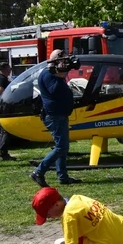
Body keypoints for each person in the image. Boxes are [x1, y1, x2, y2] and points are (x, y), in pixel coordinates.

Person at [31, 50, 79, 187]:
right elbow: (56, 90)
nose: (65, 63)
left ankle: (63, 176)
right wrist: (61, 74)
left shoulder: (54, 74)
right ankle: (38, 172)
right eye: (62, 60)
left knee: (62, 147)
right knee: (61, 147)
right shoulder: (48, 75)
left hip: (59, 115)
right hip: (54, 116)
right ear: (55, 61)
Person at [0, 63, 15, 162]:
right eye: (9, 68)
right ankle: (3, 154)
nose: (10, 70)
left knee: (4, 131)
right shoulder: (2, 79)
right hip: (3, 107)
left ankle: (3, 153)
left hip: (0, 107)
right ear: (5, 69)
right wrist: (6, 98)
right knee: (5, 131)